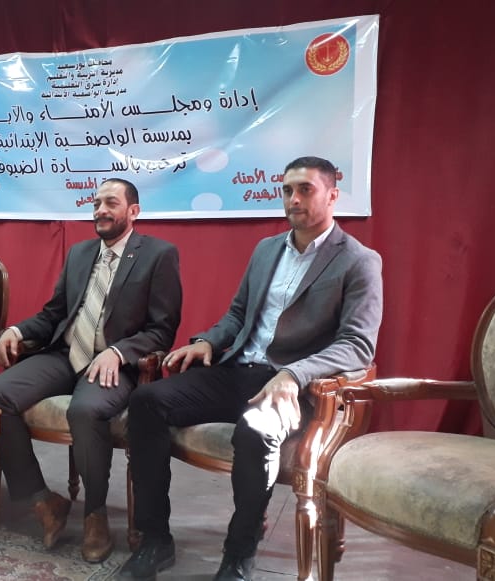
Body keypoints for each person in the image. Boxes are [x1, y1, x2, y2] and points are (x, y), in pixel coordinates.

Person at [118, 156, 383, 581]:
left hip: (297, 387)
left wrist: (293, 375)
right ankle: (155, 539)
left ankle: (237, 555)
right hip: (239, 369)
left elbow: (357, 345)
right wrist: (207, 341)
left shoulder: (358, 260)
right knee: (147, 400)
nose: (293, 199)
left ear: (333, 195)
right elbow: (238, 315)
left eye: (306, 190)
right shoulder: (266, 250)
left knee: (255, 431)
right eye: (287, 190)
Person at [0, 178, 182, 563]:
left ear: (133, 211)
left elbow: (162, 329)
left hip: (114, 364)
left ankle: (95, 514)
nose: (100, 210)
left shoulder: (158, 254)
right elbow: (55, 313)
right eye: (96, 202)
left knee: (85, 410)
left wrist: (120, 352)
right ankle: (43, 500)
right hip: (66, 354)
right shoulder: (80, 253)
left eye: (111, 203)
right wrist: (18, 330)